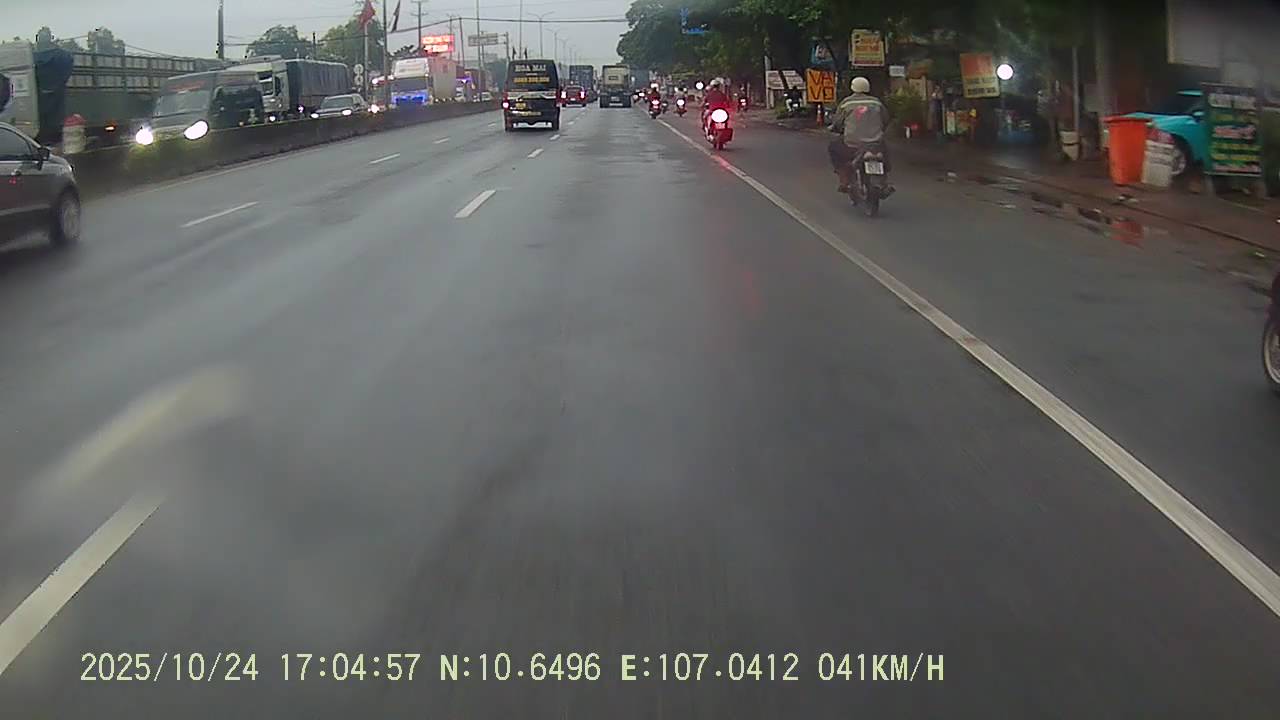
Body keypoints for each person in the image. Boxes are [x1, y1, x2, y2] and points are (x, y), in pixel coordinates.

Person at [828, 76, 891, 193]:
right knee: (884, 153)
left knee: (833, 147)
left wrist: (835, 128)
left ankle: (844, 180)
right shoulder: (876, 102)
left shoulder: (847, 103)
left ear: (852, 87)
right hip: (875, 143)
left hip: (853, 143)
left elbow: (838, 122)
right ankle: (884, 183)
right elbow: (885, 120)